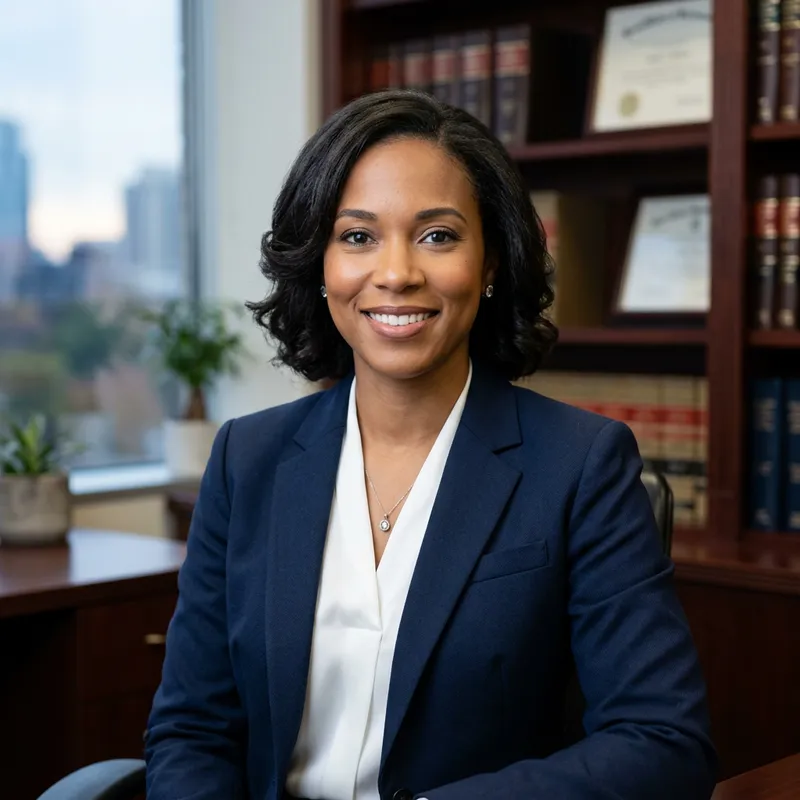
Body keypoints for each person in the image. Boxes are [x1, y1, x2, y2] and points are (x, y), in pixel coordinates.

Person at [144, 89, 717, 800]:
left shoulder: (580, 464)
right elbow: (192, 732)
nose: (396, 272)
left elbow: (662, 743)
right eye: (357, 236)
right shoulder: (245, 460)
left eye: (437, 235)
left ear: (491, 262)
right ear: (319, 266)